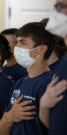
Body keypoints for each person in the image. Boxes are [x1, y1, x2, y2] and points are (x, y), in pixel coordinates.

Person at [0, 22, 56, 135]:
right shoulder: (19, 83)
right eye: (17, 42)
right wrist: (9, 117)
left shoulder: (51, 84)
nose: (17, 48)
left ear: (41, 49)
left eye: (22, 42)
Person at [39, 0, 67, 134]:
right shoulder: (63, 64)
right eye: (57, 6)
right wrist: (44, 106)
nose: (58, 12)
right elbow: (54, 124)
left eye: (63, 6)